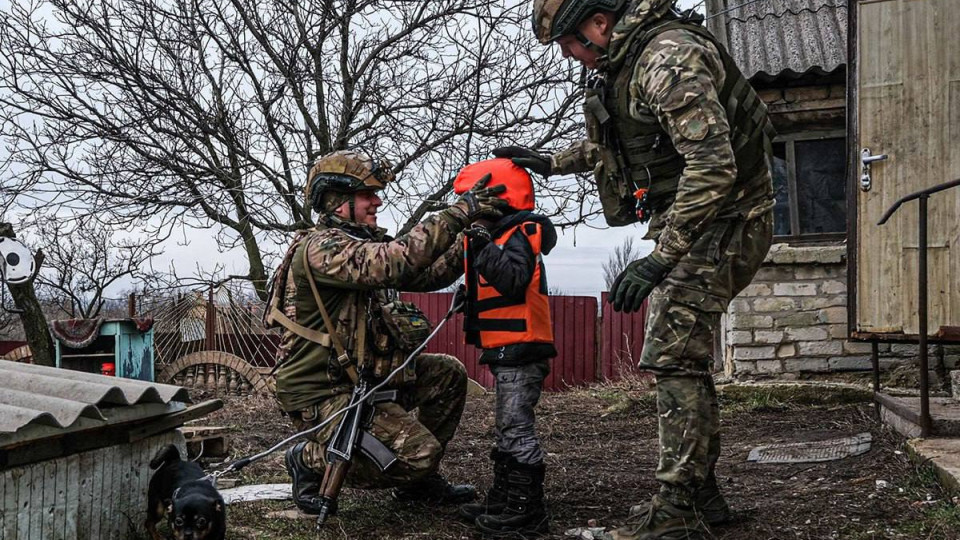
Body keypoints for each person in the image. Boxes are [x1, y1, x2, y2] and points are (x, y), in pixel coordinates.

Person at [495, 1, 775, 538]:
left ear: (599, 23)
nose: (571, 57)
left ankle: (676, 511)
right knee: (683, 354)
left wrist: (660, 258)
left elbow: (714, 167)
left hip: (731, 214)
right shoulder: (629, 63)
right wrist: (551, 162)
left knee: (671, 351)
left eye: (571, 43)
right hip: (707, 216)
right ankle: (701, 496)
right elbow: (625, 145)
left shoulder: (667, 59)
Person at [264, 149, 509, 516]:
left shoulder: (357, 243)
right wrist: (459, 212)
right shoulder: (322, 248)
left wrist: (473, 236)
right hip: (322, 392)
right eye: (367, 194)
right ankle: (308, 459)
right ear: (337, 199)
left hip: (363, 378)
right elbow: (396, 261)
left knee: (446, 373)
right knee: (418, 454)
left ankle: (417, 486)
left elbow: (425, 274)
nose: (377, 201)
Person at [452, 158, 557, 537]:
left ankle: (527, 513)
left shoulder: (518, 233)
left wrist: (482, 248)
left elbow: (512, 279)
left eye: (476, 199)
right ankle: (503, 499)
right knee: (505, 428)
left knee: (516, 429)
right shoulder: (501, 238)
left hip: (522, 348)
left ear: (498, 198)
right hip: (506, 348)